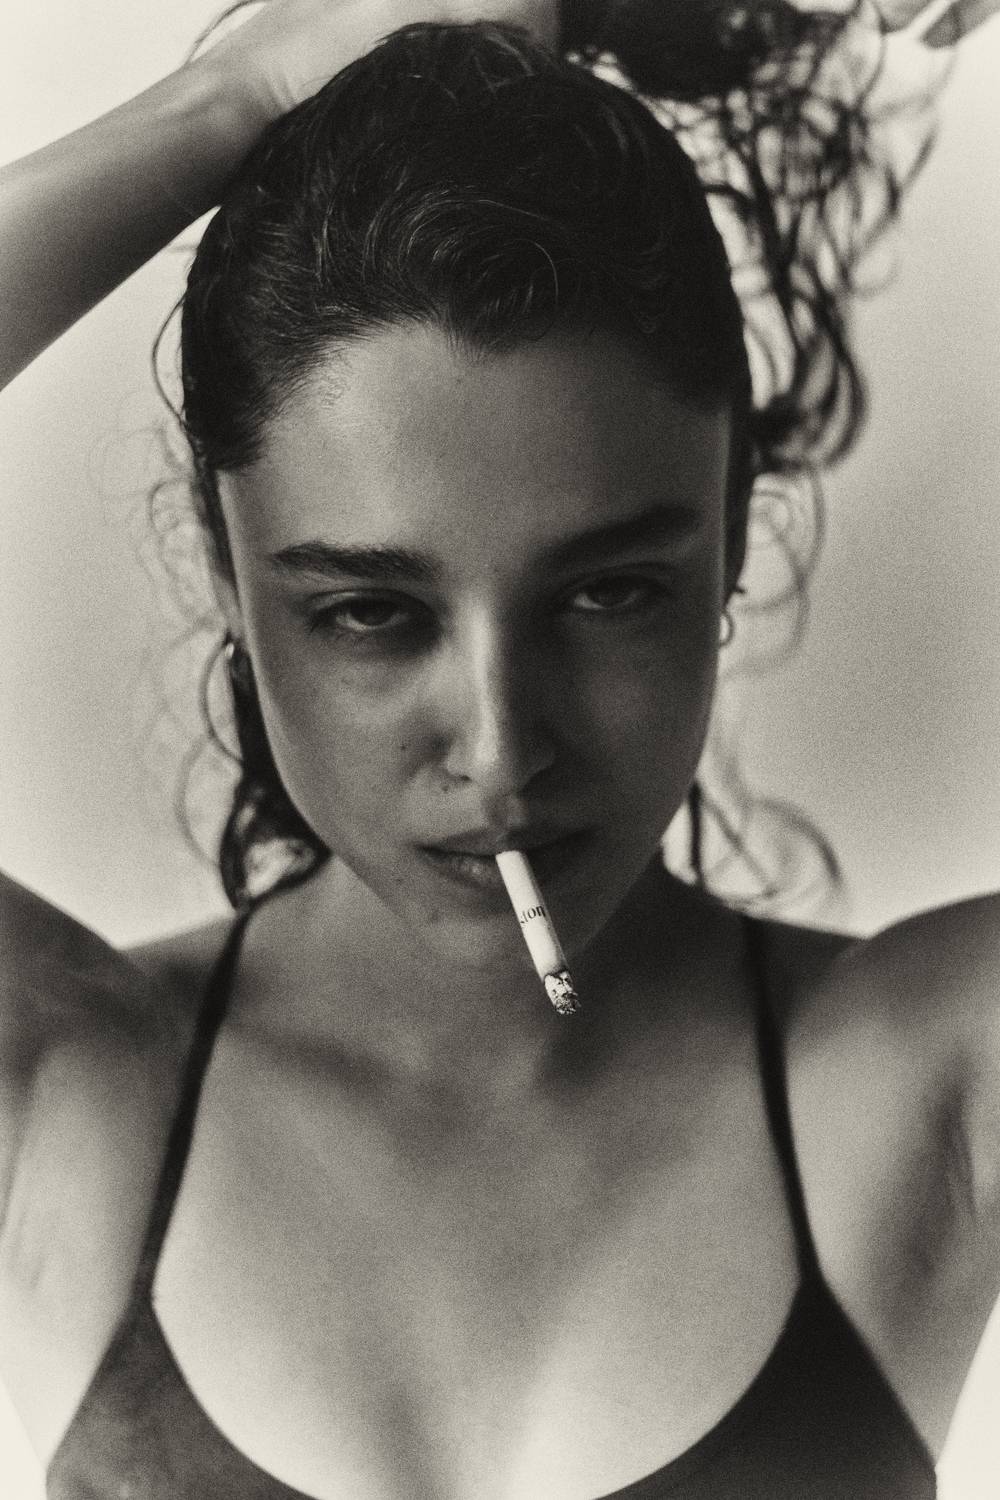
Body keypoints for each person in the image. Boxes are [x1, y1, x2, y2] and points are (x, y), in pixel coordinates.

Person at [1, 1, 998, 1497]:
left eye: (609, 592)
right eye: (371, 611)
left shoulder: (932, 1084)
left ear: (731, 534)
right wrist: (225, 102)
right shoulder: (65, 1085)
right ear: (225, 572)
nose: (502, 746)